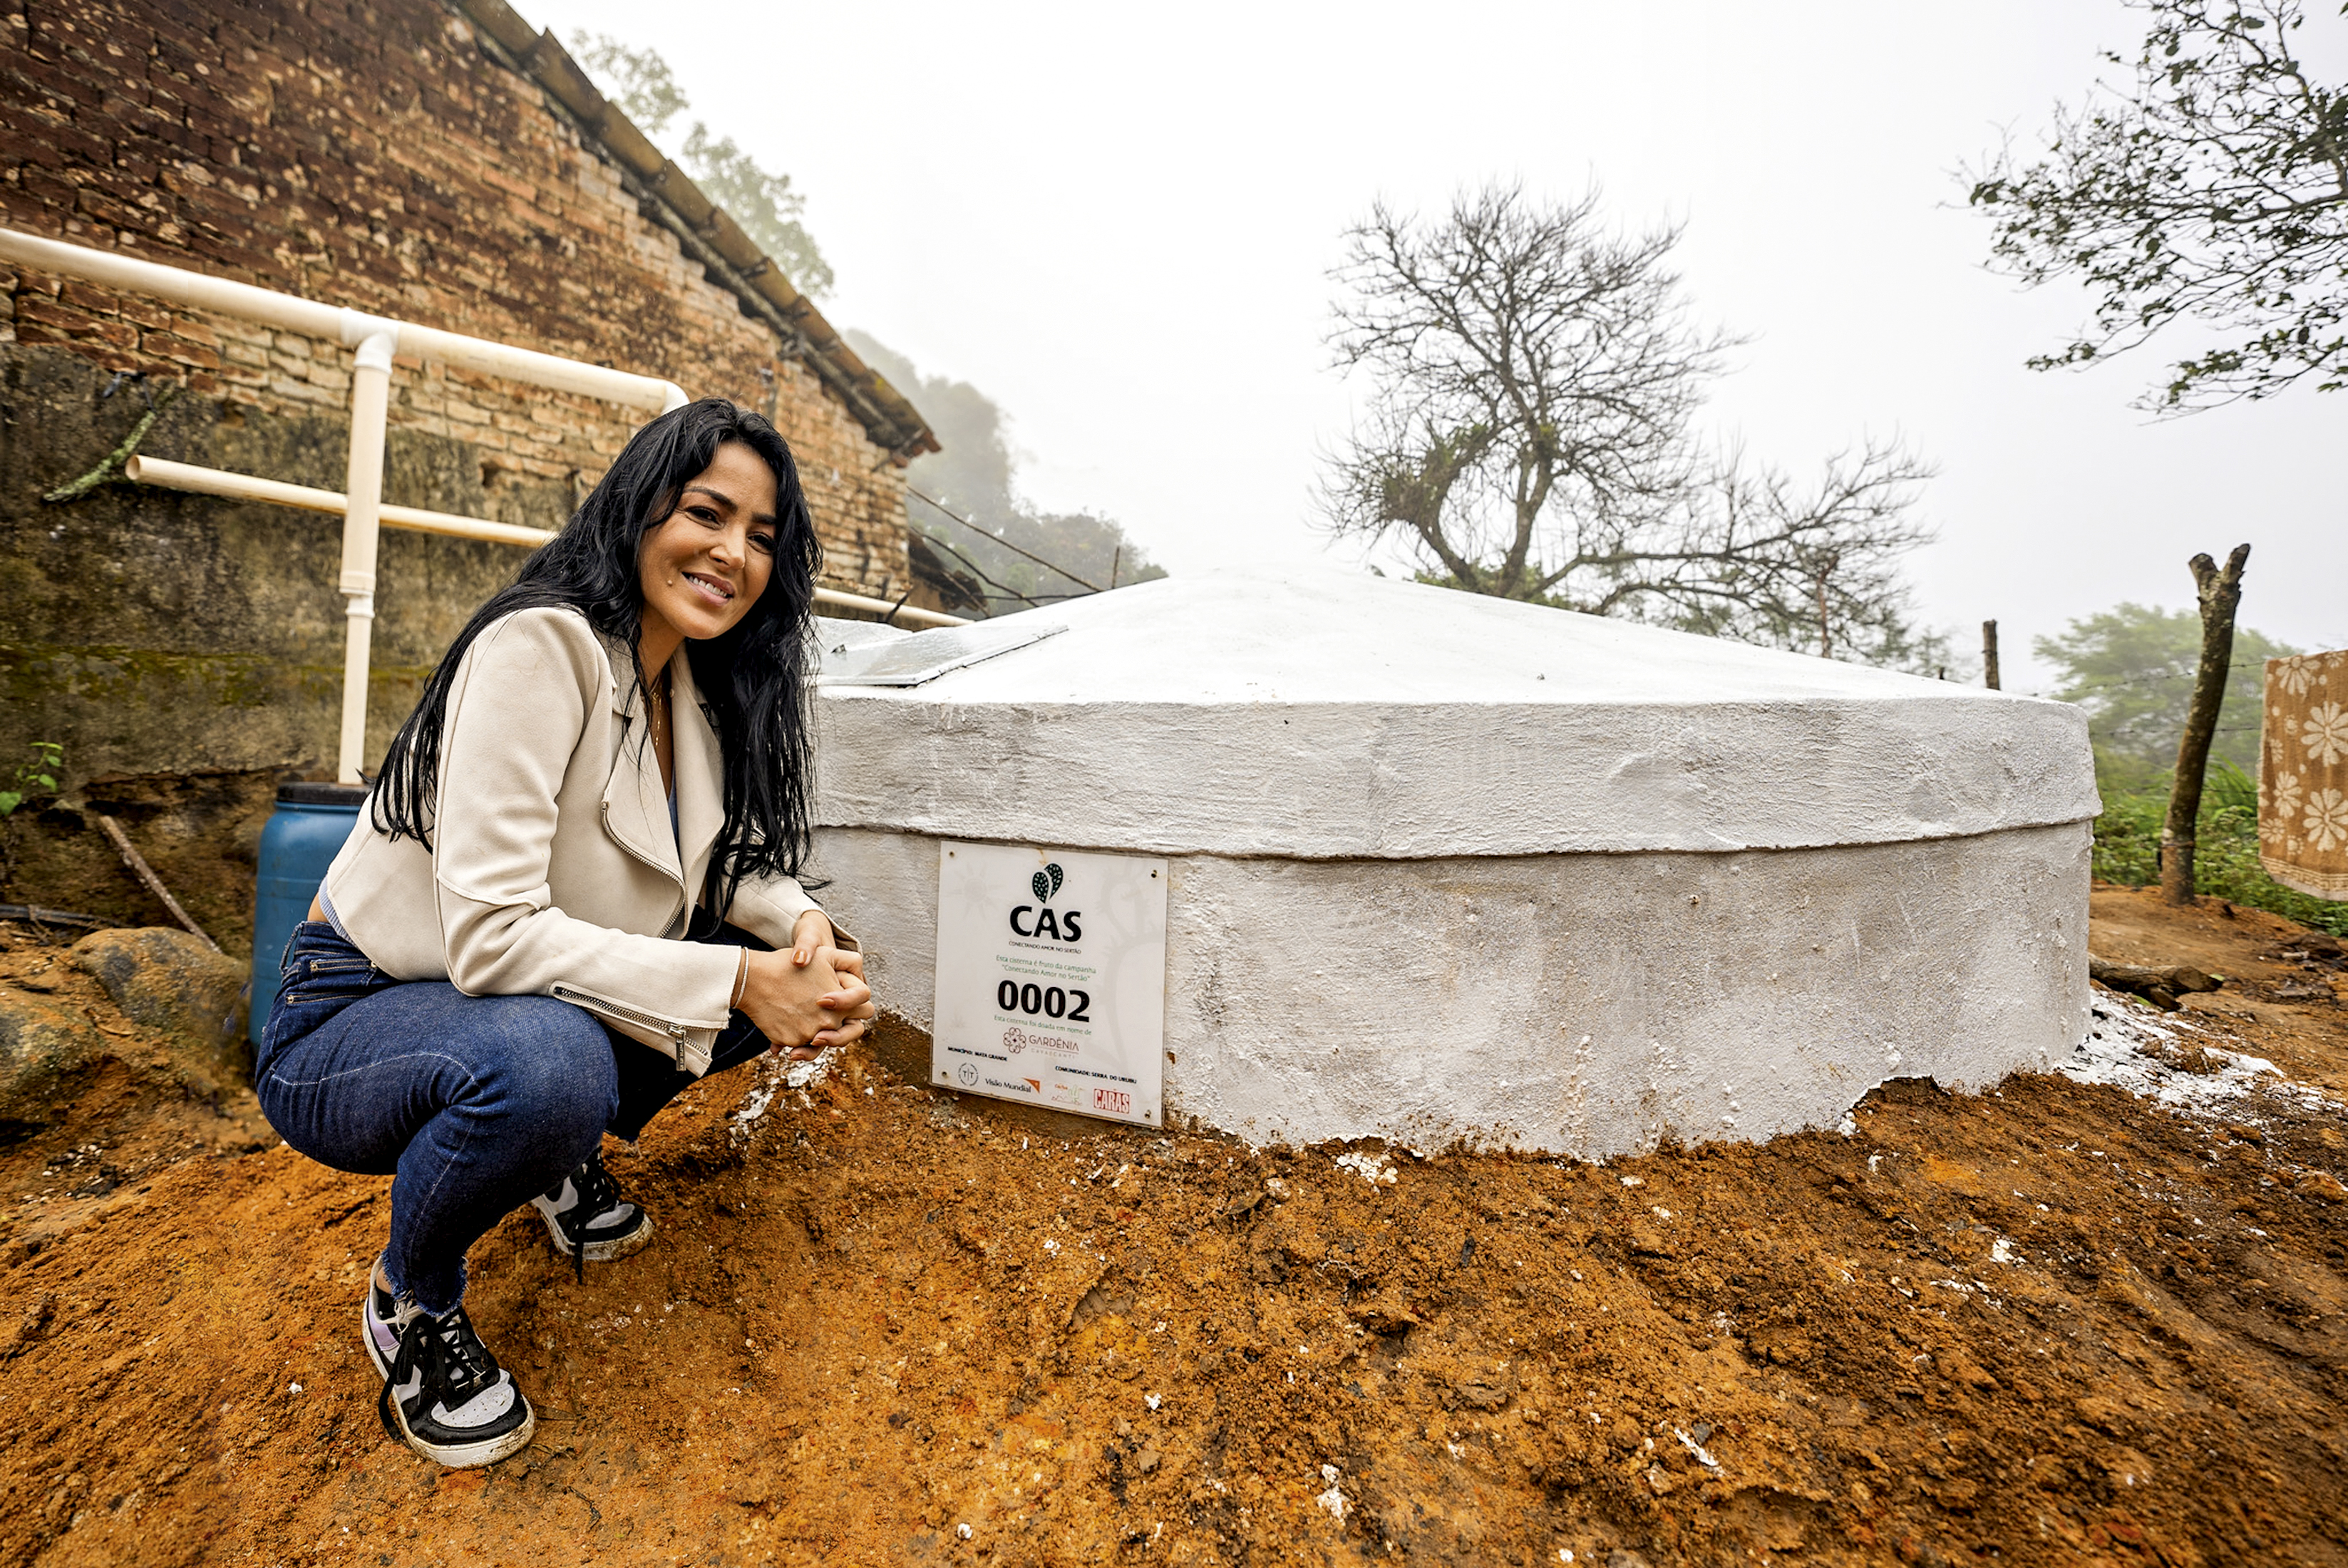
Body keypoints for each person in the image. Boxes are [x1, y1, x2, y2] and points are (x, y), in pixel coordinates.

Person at [254, 399, 875, 1468]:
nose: (732, 552)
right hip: (353, 1017)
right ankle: (413, 1298)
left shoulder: (689, 682)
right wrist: (735, 981)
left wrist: (802, 927)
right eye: (706, 513)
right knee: (557, 1060)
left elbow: (716, 869)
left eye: (762, 537)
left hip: (497, 1003)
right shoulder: (540, 645)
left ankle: (554, 1160)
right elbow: (492, 941)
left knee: (770, 978)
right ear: (640, 510)